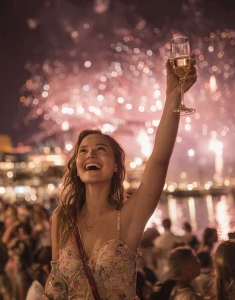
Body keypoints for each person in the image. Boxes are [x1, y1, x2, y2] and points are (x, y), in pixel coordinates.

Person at [44, 55, 197, 299]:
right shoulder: (62, 219)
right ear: (76, 165)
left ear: (116, 166)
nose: (90, 154)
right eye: (82, 151)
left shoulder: (127, 216)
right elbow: (54, 288)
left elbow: (159, 159)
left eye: (100, 149)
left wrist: (173, 96)